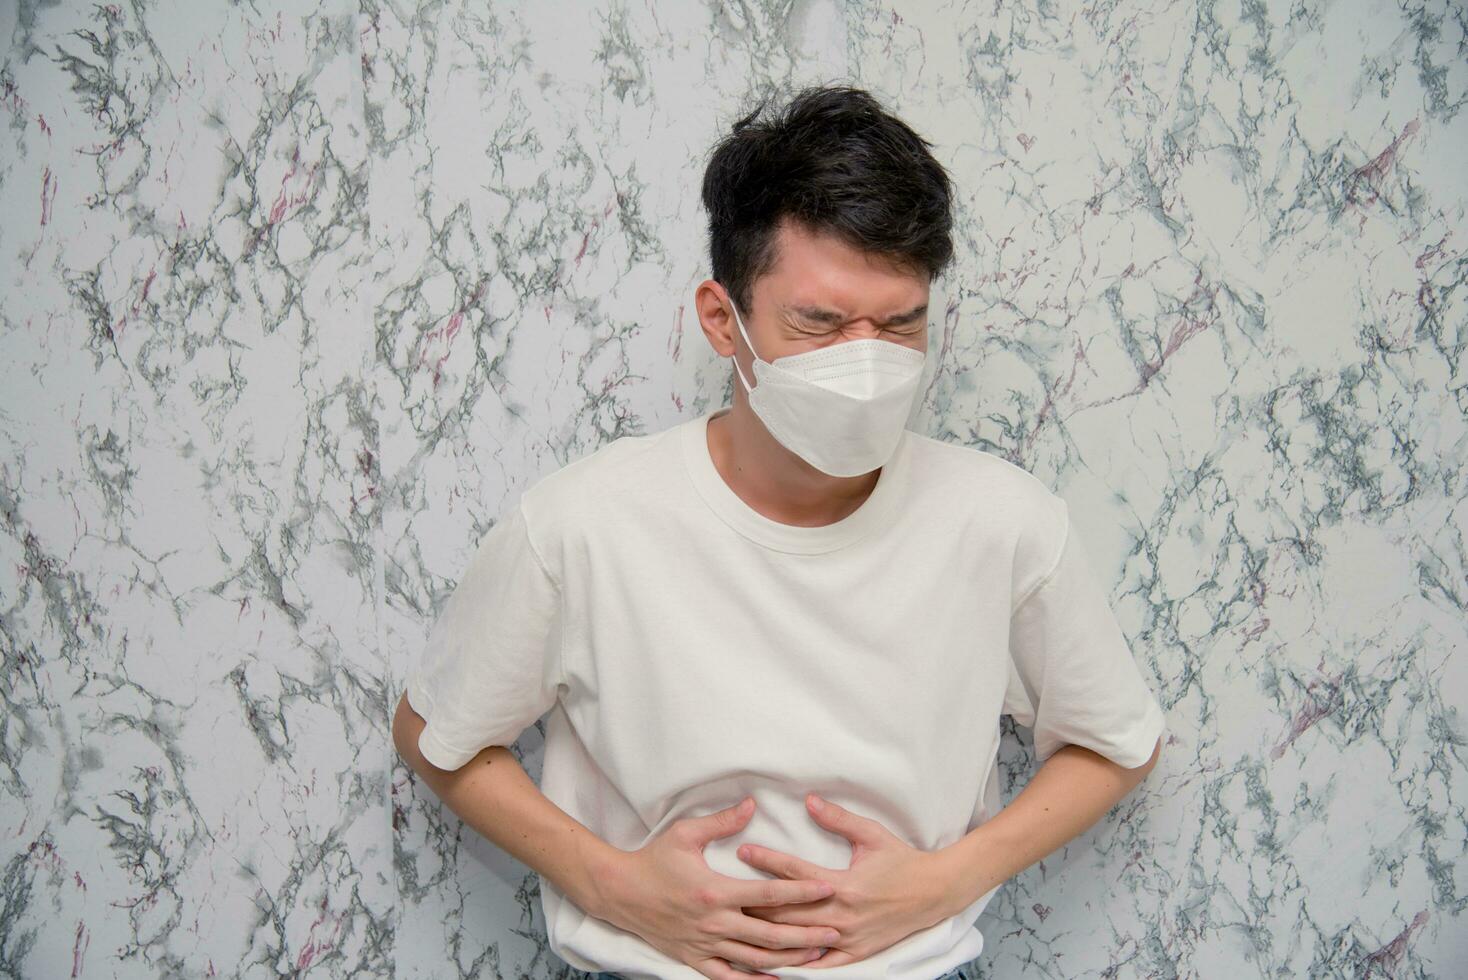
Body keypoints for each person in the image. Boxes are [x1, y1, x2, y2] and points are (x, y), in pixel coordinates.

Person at [393, 85, 1168, 980]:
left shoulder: (1003, 524)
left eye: (901, 322)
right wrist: (610, 885)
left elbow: (1118, 740)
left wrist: (947, 880)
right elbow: (435, 729)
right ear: (725, 321)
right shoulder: (585, 524)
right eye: (821, 323)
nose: (866, 360)